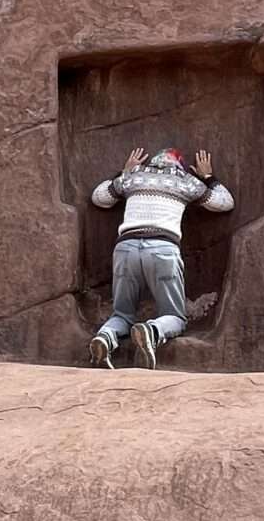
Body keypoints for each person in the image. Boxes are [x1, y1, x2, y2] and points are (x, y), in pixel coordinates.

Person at [89, 142, 234, 368]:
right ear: (182, 166)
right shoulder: (186, 181)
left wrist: (124, 171)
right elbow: (225, 203)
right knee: (175, 316)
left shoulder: (134, 177)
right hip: (162, 249)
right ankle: (152, 330)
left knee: (122, 315)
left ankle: (105, 337)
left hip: (125, 248)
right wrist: (208, 177)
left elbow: (99, 197)